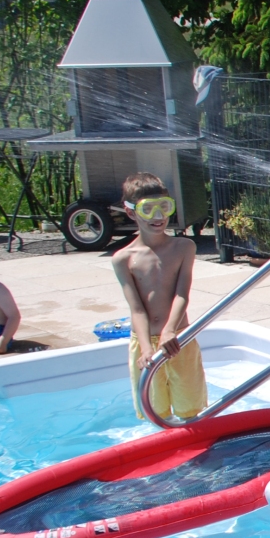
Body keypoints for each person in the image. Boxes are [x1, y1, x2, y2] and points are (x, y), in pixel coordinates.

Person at [112, 173, 204, 421]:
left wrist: (170, 330)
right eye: (148, 209)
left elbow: (182, 294)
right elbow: (137, 309)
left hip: (178, 338)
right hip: (144, 343)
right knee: (155, 413)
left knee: (190, 412)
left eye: (164, 206)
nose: (158, 216)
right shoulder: (123, 259)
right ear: (131, 212)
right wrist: (145, 349)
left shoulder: (183, 248)